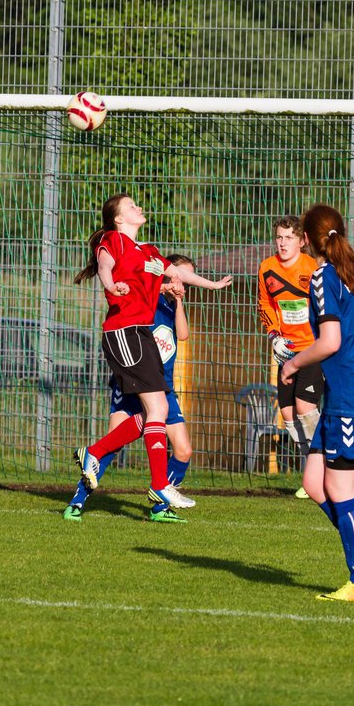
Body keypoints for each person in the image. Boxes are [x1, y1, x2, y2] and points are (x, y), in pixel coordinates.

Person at [72, 195, 232, 523]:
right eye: (131, 206)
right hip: (123, 332)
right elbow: (103, 266)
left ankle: (96, 453)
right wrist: (110, 284)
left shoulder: (149, 252)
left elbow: (179, 274)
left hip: (140, 334)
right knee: (156, 410)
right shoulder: (112, 240)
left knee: (152, 416)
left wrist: (212, 284)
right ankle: (159, 484)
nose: (138, 208)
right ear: (118, 218)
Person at [281, 204, 354, 602]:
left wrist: (294, 363)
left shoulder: (323, 276)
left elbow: (330, 341)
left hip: (350, 394)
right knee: (315, 483)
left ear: (307, 240)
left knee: (339, 484)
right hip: (351, 393)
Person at [65, 254, 200, 520]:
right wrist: (159, 288)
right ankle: (77, 502)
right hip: (132, 382)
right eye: (180, 277)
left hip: (163, 388)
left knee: (183, 450)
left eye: (186, 281)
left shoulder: (173, 307)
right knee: (112, 443)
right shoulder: (148, 298)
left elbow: (182, 335)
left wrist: (180, 300)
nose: (183, 283)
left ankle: (160, 505)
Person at [257, 216, 322, 497]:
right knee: (287, 413)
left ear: (302, 241)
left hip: (312, 347)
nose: (282, 243)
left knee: (304, 407)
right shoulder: (267, 268)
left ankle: (328, 464)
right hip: (286, 349)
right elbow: (265, 305)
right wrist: (274, 336)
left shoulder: (313, 268)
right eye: (279, 238)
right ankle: (313, 473)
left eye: (289, 238)